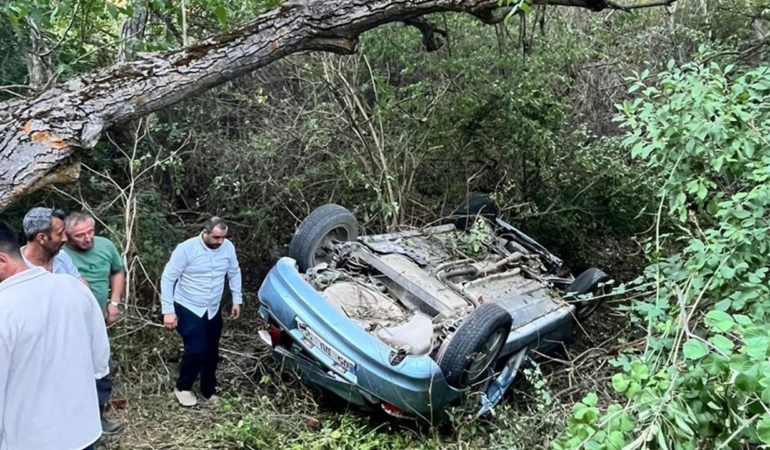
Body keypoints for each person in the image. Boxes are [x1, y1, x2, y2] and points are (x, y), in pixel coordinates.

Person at [0, 221, 110, 450]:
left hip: (29, 440)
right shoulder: (74, 287)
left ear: (2, 261)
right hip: (83, 431)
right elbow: (100, 361)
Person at [160, 217, 243, 406]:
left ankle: (208, 389)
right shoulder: (186, 249)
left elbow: (234, 271)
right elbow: (168, 278)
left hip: (212, 307)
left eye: (223, 238)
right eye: (215, 237)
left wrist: (237, 299)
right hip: (188, 304)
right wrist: (168, 311)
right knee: (196, 348)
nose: (219, 242)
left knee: (212, 350)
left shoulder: (228, 247)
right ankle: (183, 387)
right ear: (204, 232)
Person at [63, 212, 125, 435]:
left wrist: (114, 302)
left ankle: (98, 418)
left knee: (103, 368)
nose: (88, 238)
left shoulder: (106, 245)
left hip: (97, 322)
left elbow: (118, 270)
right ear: (67, 236)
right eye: (80, 235)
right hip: (69, 325)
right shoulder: (60, 254)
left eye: (91, 232)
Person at [21, 207, 84, 281]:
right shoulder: (18, 268)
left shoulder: (61, 256)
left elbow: (81, 283)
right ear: (41, 238)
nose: (65, 238)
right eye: (60, 234)